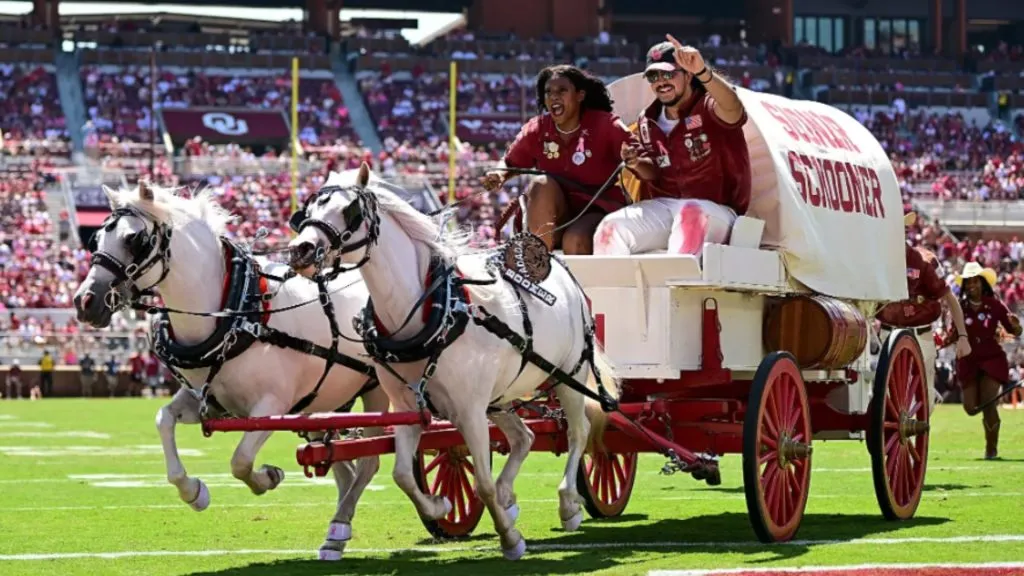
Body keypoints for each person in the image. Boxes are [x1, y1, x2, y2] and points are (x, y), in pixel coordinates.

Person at [593, 35, 751, 256]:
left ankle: (677, 279)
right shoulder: (646, 120)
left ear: (688, 75)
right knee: (610, 228)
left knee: (691, 214)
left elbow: (735, 110)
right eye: (653, 76)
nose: (661, 81)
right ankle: (615, 280)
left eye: (668, 73)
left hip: (716, 209)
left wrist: (703, 71)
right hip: (664, 206)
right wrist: (636, 163)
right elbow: (654, 172)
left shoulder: (709, 106)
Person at [482, 64, 656, 254]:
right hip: (556, 214)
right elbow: (509, 163)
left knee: (574, 241)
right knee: (540, 183)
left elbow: (651, 172)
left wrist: (635, 162)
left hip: (597, 209)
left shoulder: (607, 125)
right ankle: (537, 261)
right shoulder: (537, 129)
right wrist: (499, 175)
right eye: (548, 92)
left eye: (562, 90)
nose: (554, 96)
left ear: (580, 95)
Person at [874, 212, 971, 414]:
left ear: (905, 233)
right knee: (886, 395)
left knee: (924, 396)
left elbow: (949, 298)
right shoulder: (875, 260)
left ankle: (925, 408)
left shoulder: (925, 261)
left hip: (920, 334)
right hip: (887, 334)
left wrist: (963, 336)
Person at [951, 262, 1022, 460]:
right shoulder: (960, 307)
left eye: (975, 281)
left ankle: (991, 448)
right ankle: (991, 444)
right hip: (968, 361)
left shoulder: (995, 305)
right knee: (970, 408)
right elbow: (952, 333)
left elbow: (1014, 330)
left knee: (988, 403)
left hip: (992, 359)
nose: (971, 285)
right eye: (968, 282)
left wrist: (1017, 326)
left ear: (982, 283)